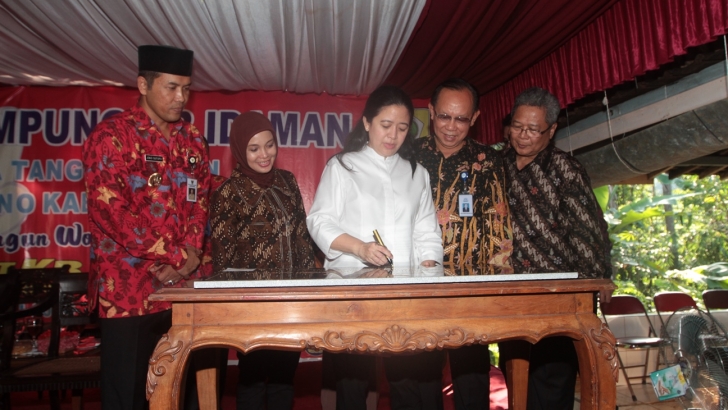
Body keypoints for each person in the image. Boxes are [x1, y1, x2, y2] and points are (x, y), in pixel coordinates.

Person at [83, 45, 211, 410]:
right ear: (143, 85)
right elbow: (111, 213)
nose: (180, 97)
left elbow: (200, 200)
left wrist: (189, 256)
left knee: (181, 395)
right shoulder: (111, 137)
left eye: (186, 88)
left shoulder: (193, 140)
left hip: (182, 292)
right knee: (129, 395)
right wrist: (175, 256)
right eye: (171, 87)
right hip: (129, 293)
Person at [307, 85, 443, 410]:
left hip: (406, 293)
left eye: (402, 127)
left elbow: (427, 231)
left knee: (407, 377)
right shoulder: (343, 166)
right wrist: (360, 248)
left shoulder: (416, 173)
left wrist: (429, 272)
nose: (393, 135)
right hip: (354, 290)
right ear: (367, 122)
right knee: (353, 379)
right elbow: (320, 221)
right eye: (385, 125)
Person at [501, 87, 612, 409]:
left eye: (533, 130)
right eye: (517, 126)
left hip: (559, 293)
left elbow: (588, 228)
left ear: (551, 131)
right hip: (512, 291)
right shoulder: (498, 164)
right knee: (516, 374)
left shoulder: (565, 168)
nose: (523, 136)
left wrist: (598, 278)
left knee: (552, 377)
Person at [413, 78, 512, 410]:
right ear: (430, 112)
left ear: (475, 118)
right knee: (418, 376)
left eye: (461, 119)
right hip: (418, 286)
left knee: (471, 378)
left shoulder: (488, 160)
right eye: (444, 116)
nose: (451, 127)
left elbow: (499, 225)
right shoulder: (408, 157)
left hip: (470, 287)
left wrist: (499, 286)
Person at [210, 111, 316, 410]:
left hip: (290, 301)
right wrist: (232, 310)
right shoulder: (228, 193)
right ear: (240, 150)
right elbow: (222, 260)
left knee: (285, 376)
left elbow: (303, 240)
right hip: (252, 305)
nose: (265, 154)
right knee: (252, 377)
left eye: (269, 145)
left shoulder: (288, 181)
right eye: (254, 148)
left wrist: (309, 293)